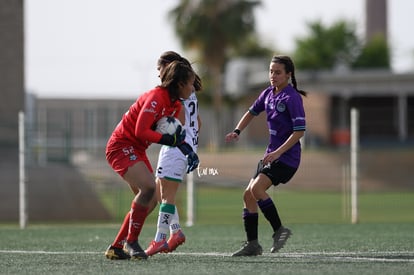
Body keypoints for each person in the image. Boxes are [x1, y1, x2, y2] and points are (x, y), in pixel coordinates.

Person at [104, 59, 199, 260]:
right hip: (120, 146)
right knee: (148, 188)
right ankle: (132, 241)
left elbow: (175, 136)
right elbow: (141, 130)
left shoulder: (175, 106)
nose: (193, 88)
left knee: (151, 199)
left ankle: (116, 247)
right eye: (190, 83)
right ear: (180, 83)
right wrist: (166, 139)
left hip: (137, 149)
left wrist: (188, 151)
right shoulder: (157, 97)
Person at [225, 55, 306, 256]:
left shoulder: (292, 98)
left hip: (287, 158)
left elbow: (299, 132)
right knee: (248, 195)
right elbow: (251, 112)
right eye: (271, 71)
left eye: (278, 72)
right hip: (271, 156)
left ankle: (279, 230)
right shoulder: (268, 94)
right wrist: (237, 131)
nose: (273, 76)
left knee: (257, 188)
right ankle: (253, 244)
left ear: (288, 74)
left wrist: (278, 152)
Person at [145, 51, 202, 257]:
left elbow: (179, 123)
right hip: (182, 147)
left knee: (166, 197)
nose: (159, 74)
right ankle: (176, 231)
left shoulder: (177, 94)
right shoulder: (189, 90)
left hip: (177, 147)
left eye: (160, 69)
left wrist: (160, 125)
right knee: (161, 193)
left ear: (169, 68)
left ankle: (159, 240)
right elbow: (198, 123)